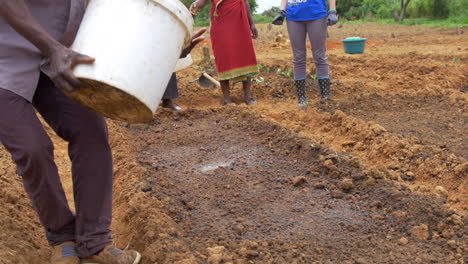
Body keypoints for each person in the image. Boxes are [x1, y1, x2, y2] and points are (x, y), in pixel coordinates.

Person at [0, 0, 205, 263]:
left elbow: (119, 15)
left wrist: (164, 44)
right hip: (8, 57)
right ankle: (62, 236)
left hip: (59, 57)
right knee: (32, 148)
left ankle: (94, 240)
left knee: (92, 134)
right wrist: (52, 48)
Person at [190, 0, 259, 105]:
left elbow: (245, 1)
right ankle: (226, 98)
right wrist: (195, 5)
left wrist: (252, 23)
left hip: (240, 21)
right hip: (220, 22)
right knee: (223, 57)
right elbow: (202, 2)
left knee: (244, 55)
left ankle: (247, 95)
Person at [272, 0, 338, 106]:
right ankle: (301, 99)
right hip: (293, 16)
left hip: (317, 15)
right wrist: (282, 11)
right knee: (298, 57)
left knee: (319, 56)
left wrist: (332, 10)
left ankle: (325, 97)